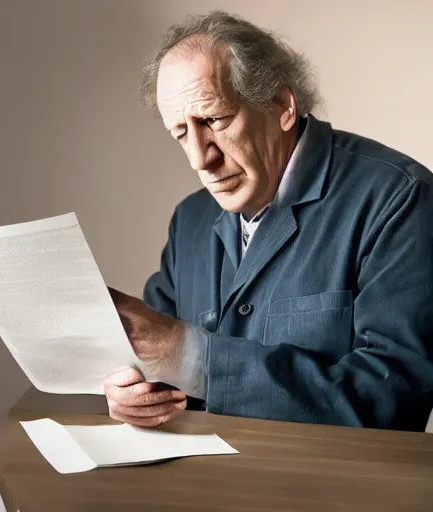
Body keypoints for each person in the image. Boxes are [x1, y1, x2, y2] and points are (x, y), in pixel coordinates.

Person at [103, 10, 433, 432]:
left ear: (281, 105)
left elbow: (392, 401)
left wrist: (193, 358)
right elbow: (154, 359)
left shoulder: (398, 198)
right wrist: (132, 390)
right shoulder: (189, 219)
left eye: (214, 120)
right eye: (182, 133)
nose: (200, 158)